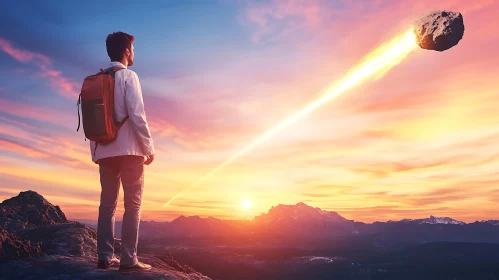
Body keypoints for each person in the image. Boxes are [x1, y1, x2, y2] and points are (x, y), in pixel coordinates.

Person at [93, 31, 155, 271]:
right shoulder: (129, 77)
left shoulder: (98, 79)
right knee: (133, 205)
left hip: (105, 150)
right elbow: (138, 115)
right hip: (130, 150)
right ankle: (129, 260)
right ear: (127, 51)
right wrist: (148, 147)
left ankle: (105, 257)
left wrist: (96, 152)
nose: (134, 53)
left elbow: (94, 119)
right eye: (133, 48)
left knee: (107, 204)